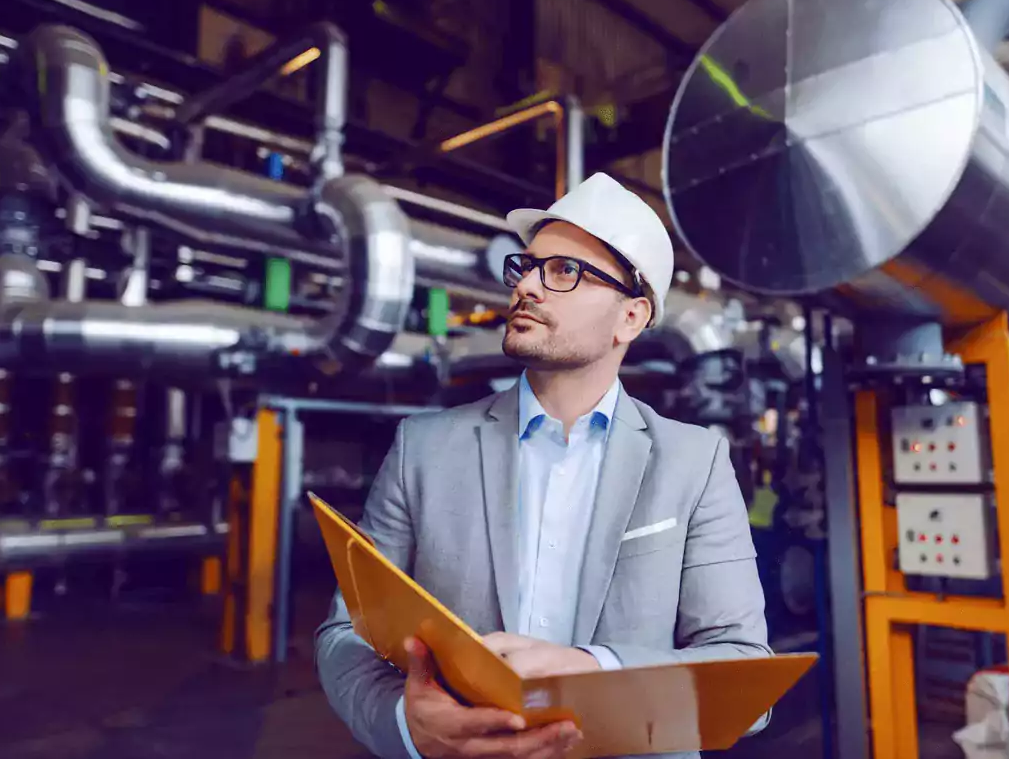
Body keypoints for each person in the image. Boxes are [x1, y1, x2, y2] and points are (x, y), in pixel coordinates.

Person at [315, 172, 770, 759]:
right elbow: (346, 634)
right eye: (526, 267)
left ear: (629, 319)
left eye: (562, 272)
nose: (526, 285)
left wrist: (593, 670)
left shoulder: (694, 462)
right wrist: (405, 722)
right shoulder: (422, 449)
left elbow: (743, 670)